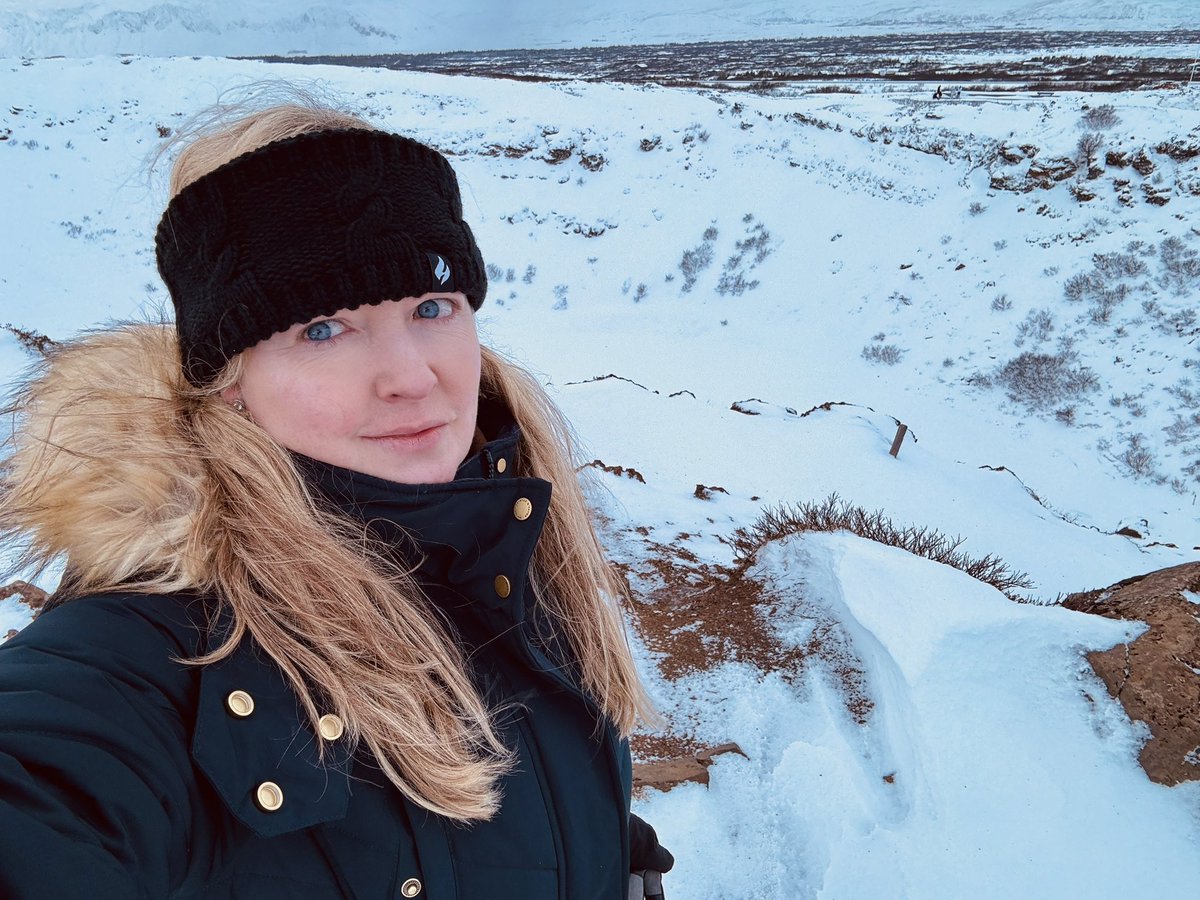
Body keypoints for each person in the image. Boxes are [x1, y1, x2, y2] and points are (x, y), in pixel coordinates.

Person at [0, 100, 674, 898]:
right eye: (323, 328)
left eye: (430, 308)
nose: (412, 377)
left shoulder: (502, 537)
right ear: (228, 386)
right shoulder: (157, 647)